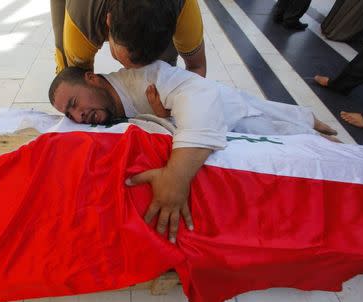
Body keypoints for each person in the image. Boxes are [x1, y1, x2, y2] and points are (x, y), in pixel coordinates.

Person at [48, 60, 339, 243]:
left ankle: (311, 125)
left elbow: (199, 98)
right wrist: (164, 117)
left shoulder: (147, 76)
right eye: (69, 114)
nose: (78, 116)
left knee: (309, 143)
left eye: (74, 103)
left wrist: (176, 177)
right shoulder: (107, 109)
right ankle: (307, 121)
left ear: (92, 78)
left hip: (231, 116)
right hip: (221, 123)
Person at [50, 0, 207, 77]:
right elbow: (79, 85)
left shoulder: (183, 6)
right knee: (69, 73)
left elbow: (196, 67)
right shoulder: (82, 16)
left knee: (164, 71)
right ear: (108, 21)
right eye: (120, 59)